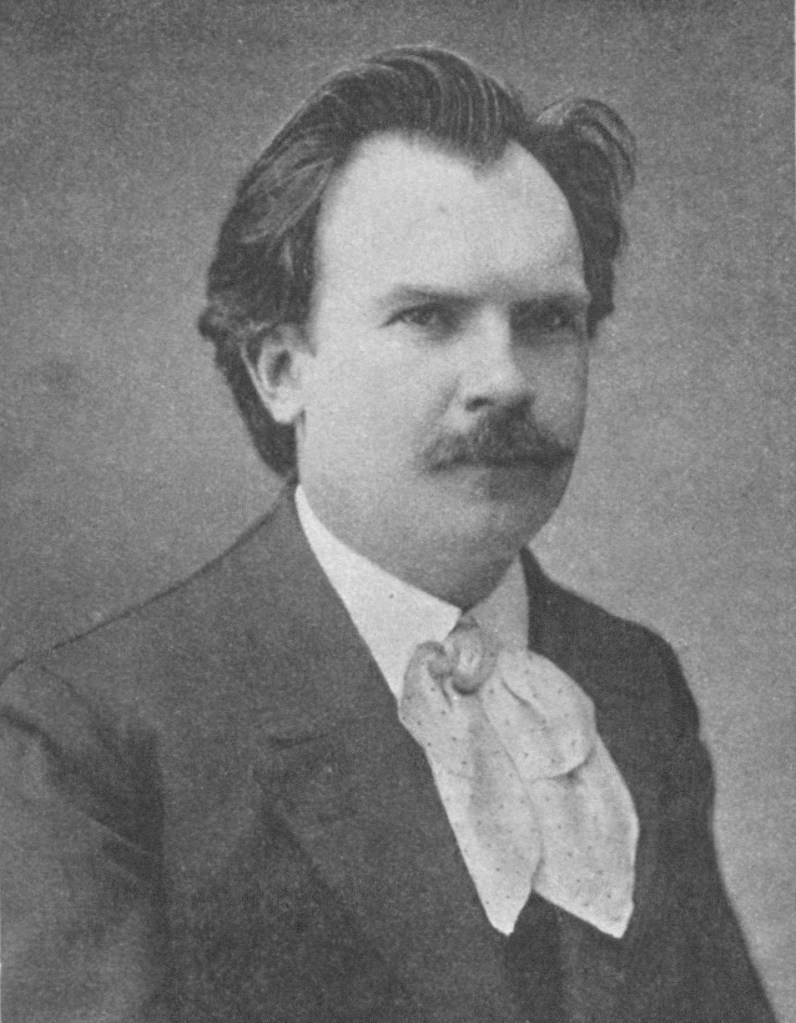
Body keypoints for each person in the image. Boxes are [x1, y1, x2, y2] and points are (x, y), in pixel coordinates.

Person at [0, 46, 776, 1023]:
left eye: (548, 320)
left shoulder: (629, 681)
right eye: (428, 317)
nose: (505, 379)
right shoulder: (88, 738)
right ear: (283, 370)